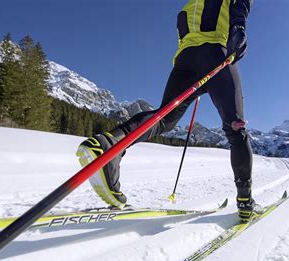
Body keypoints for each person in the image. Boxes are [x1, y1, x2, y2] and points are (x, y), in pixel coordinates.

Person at [77, 0, 255, 222]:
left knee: (163, 118)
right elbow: (241, 7)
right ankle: (246, 201)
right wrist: (238, 28)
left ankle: (109, 143)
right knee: (235, 127)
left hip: (184, 64)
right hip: (216, 56)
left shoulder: (185, 9)